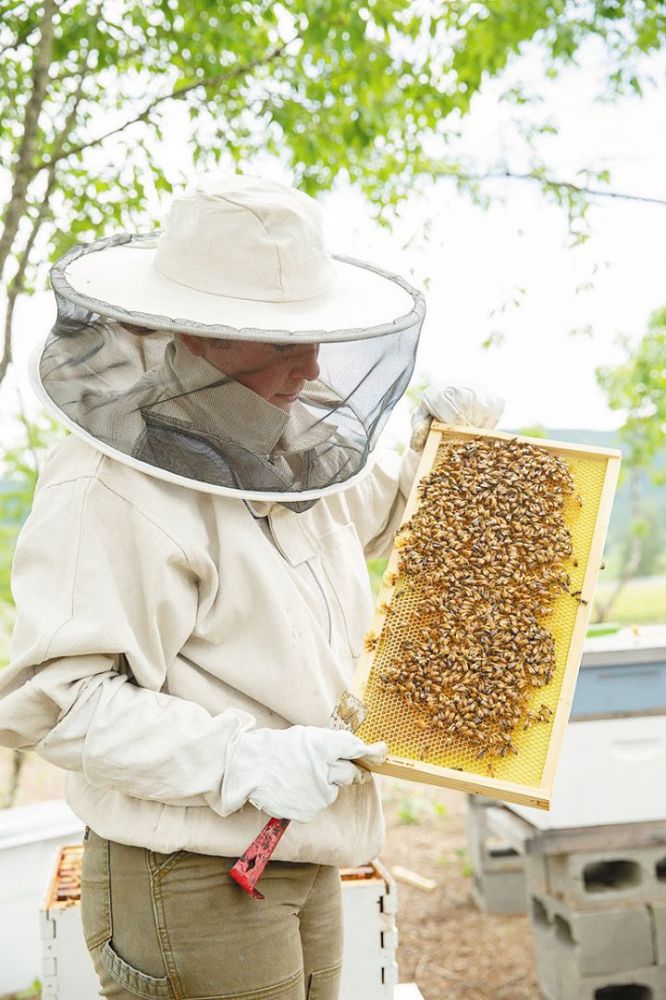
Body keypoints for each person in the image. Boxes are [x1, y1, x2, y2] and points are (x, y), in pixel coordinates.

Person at [0, 174, 503, 999]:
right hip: (192, 870)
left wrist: (432, 457)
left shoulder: (277, 449)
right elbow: (63, 701)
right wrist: (246, 759)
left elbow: (349, 532)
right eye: (277, 339)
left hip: (305, 846)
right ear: (192, 335)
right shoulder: (108, 486)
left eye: (313, 335)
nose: (309, 366)